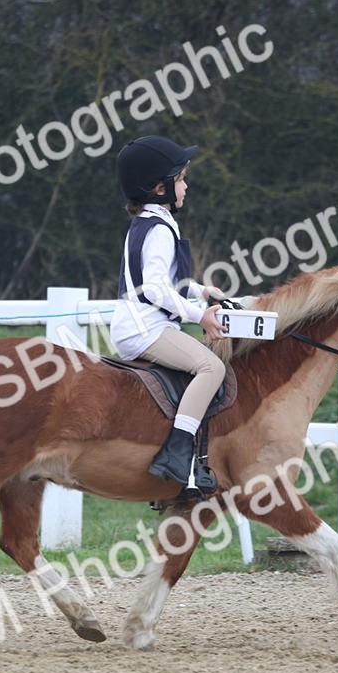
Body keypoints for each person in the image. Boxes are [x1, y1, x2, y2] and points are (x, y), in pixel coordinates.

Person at [111, 136, 228, 488]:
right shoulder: (159, 228)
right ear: (159, 188)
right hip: (145, 328)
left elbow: (169, 281)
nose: (186, 186)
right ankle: (177, 454)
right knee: (212, 366)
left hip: (138, 324)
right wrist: (199, 315)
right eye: (180, 180)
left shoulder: (151, 222)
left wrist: (202, 290)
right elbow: (156, 289)